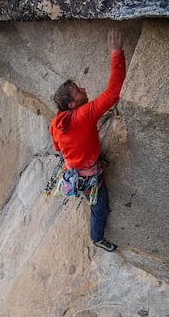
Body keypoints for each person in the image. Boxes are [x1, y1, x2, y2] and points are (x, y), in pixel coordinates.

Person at [49, 28, 125, 252]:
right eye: (78, 91)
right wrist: (116, 53)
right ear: (73, 104)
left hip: (71, 167)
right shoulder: (84, 115)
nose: (83, 89)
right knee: (100, 207)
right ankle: (97, 238)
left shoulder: (56, 122)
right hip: (88, 173)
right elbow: (113, 92)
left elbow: (57, 147)